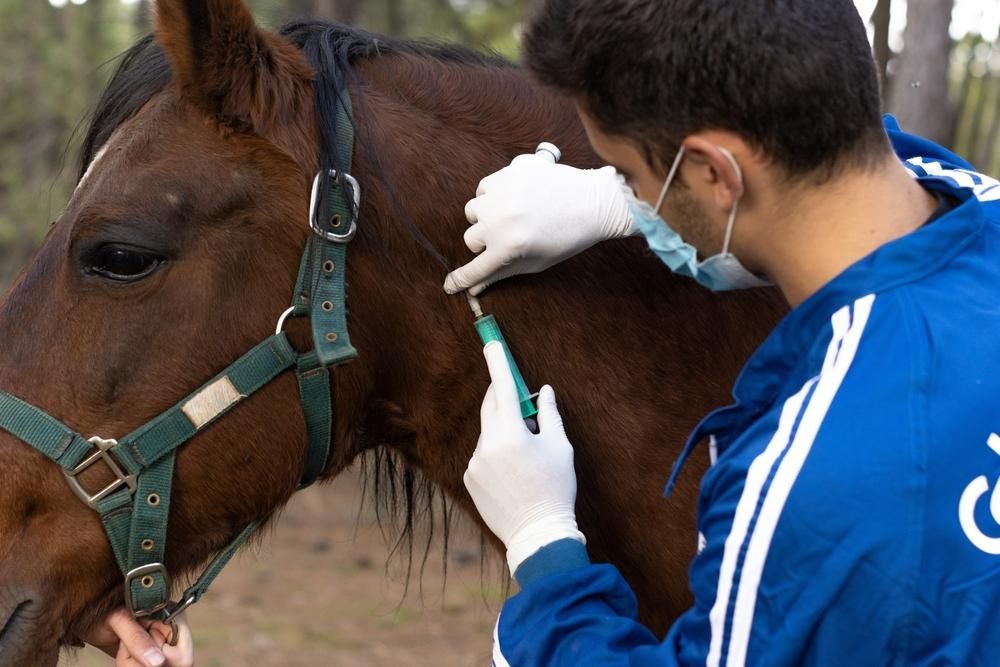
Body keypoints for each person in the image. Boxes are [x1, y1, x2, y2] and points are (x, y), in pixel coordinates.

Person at [452, 1, 1000, 665]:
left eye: (626, 174)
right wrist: (619, 203)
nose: (627, 193)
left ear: (717, 175)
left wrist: (544, 551)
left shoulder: (803, 490)